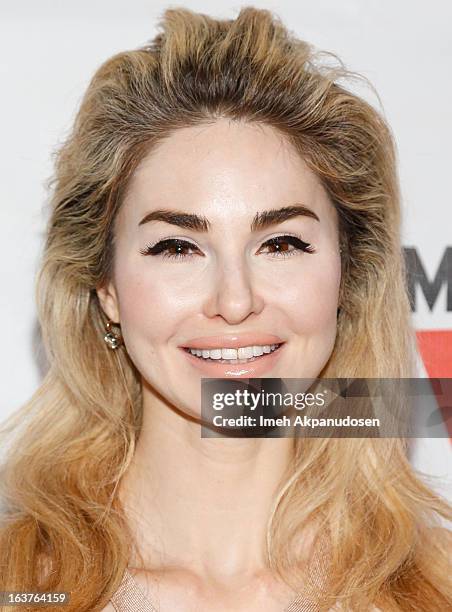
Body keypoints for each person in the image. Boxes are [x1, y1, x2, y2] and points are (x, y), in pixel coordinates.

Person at [1, 6, 451, 611]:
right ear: (105, 286)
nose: (235, 302)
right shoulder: (21, 584)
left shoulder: (435, 587)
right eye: (178, 246)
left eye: (281, 243)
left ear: (348, 275)